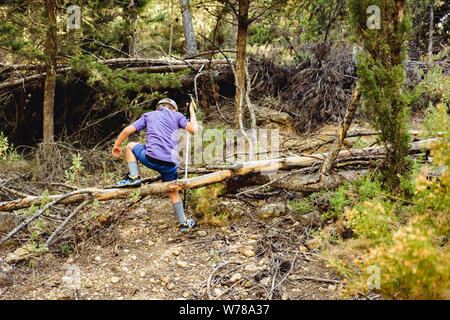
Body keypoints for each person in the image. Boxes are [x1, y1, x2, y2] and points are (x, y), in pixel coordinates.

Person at [111, 98, 198, 231]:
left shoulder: (149, 115)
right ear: (174, 108)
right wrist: (191, 111)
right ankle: (183, 223)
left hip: (151, 159)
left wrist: (117, 146)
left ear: (158, 107)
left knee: (130, 146)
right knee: (172, 190)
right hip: (169, 164)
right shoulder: (177, 115)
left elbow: (128, 130)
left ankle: (134, 177)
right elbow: (194, 129)